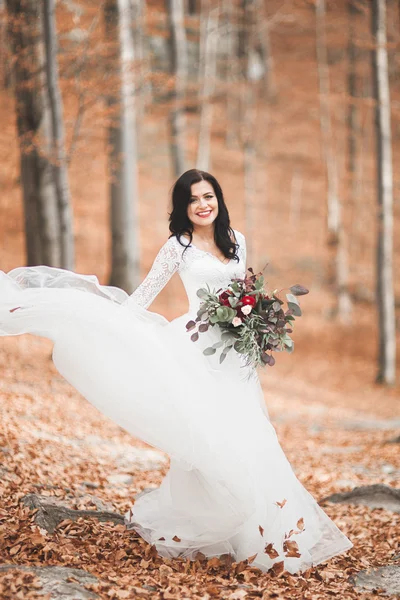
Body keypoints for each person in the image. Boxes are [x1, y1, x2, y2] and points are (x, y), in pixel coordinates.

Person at [0, 169, 352, 573]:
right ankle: (221, 528)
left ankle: (269, 533)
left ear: (218, 198)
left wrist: (254, 324)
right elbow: (145, 294)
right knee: (209, 440)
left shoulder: (237, 240)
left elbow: (243, 293)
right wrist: (108, 325)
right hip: (194, 350)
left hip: (234, 357)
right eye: (193, 199)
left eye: (209, 196)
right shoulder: (178, 247)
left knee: (251, 434)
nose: (203, 205)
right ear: (183, 208)